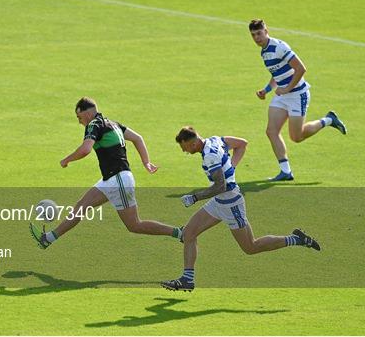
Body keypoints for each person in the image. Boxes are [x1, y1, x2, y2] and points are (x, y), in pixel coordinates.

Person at [161, 127, 320, 292]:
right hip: (219, 202)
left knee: (251, 247)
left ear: (192, 143)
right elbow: (242, 144)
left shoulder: (210, 156)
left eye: (184, 147)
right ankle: (187, 279)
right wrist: (231, 168)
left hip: (231, 203)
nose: (184, 151)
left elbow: (220, 186)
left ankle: (296, 239)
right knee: (189, 233)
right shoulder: (215, 140)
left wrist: (195, 197)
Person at [29, 97, 183, 249]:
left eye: (79, 117)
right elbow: (137, 138)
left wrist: (66, 160)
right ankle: (48, 239)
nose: (79, 121)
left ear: (88, 114)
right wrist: (146, 162)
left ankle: (179, 233)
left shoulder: (94, 124)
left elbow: (86, 149)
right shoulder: (113, 124)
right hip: (111, 179)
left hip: (118, 179)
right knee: (81, 206)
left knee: (134, 225)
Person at [250, 19, 347, 181]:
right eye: (253, 35)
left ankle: (329, 120)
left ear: (266, 31)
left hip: (297, 95)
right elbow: (277, 73)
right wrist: (266, 90)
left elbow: (301, 68)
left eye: (259, 33)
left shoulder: (279, 47)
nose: (257, 38)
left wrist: (287, 89)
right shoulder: (264, 51)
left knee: (297, 137)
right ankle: (285, 171)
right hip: (282, 97)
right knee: (271, 131)